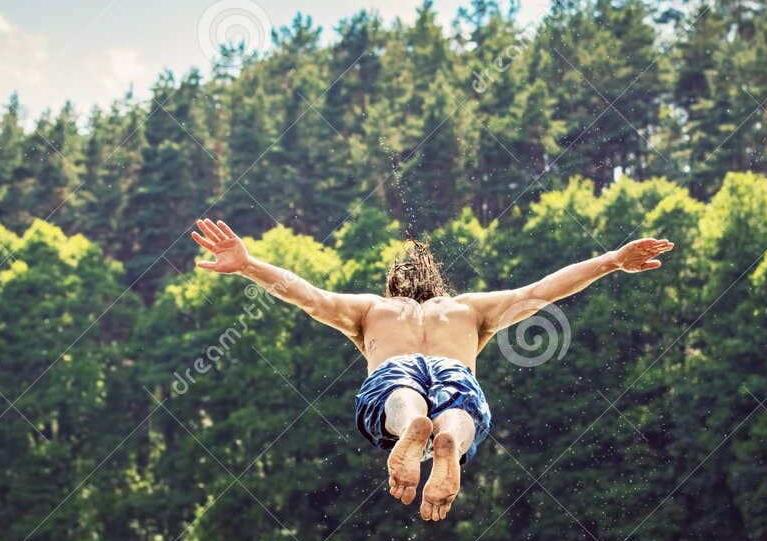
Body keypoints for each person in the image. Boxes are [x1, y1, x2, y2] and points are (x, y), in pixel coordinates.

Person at [190, 218, 674, 523]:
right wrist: (612, 260)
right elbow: (543, 291)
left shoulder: (371, 310)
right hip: (453, 366)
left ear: (392, 286)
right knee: (462, 409)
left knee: (399, 394)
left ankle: (413, 426)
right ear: (440, 284)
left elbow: (308, 296)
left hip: (394, 367)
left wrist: (250, 264)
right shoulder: (468, 310)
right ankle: (448, 440)